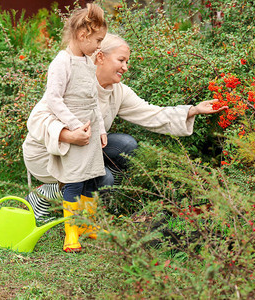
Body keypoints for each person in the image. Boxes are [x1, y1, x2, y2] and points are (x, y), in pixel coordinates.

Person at [22, 33, 227, 251]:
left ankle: (80, 210)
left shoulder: (117, 92)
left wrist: (194, 109)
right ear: (100, 57)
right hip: (46, 153)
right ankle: (47, 193)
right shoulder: (75, 80)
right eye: (121, 60)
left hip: (82, 150)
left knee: (126, 146)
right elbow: (37, 120)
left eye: (127, 62)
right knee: (105, 178)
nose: (126, 67)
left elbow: (152, 114)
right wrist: (67, 135)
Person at [23, 3, 107, 252]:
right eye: (98, 40)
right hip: (75, 133)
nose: (99, 46)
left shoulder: (87, 60)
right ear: (83, 35)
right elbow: (53, 99)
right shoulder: (62, 62)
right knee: (74, 181)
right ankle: (71, 231)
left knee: (92, 178)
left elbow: (93, 101)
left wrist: (101, 129)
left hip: (90, 132)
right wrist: (73, 126)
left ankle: (88, 224)